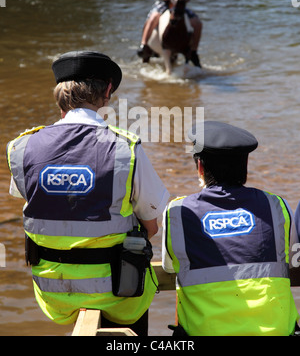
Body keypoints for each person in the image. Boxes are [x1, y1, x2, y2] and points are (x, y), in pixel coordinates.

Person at [7, 50, 170, 335]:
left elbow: (36, 203)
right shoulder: (125, 149)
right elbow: (152, 226)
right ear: (107, 91)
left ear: (58, 94)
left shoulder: (22, 148)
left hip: (54, 293)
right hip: (119, 292)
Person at [162, 120, 299, 336]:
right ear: (244, 168)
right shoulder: (277, 206)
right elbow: (292, 257)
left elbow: (170, 266)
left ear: (200, 167)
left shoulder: (178, 211)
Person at [137, 0, 202, 66]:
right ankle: (144, 45)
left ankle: (194, 51)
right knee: (153, 18)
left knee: (197, 23)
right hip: (163, 3)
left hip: (177, 4)